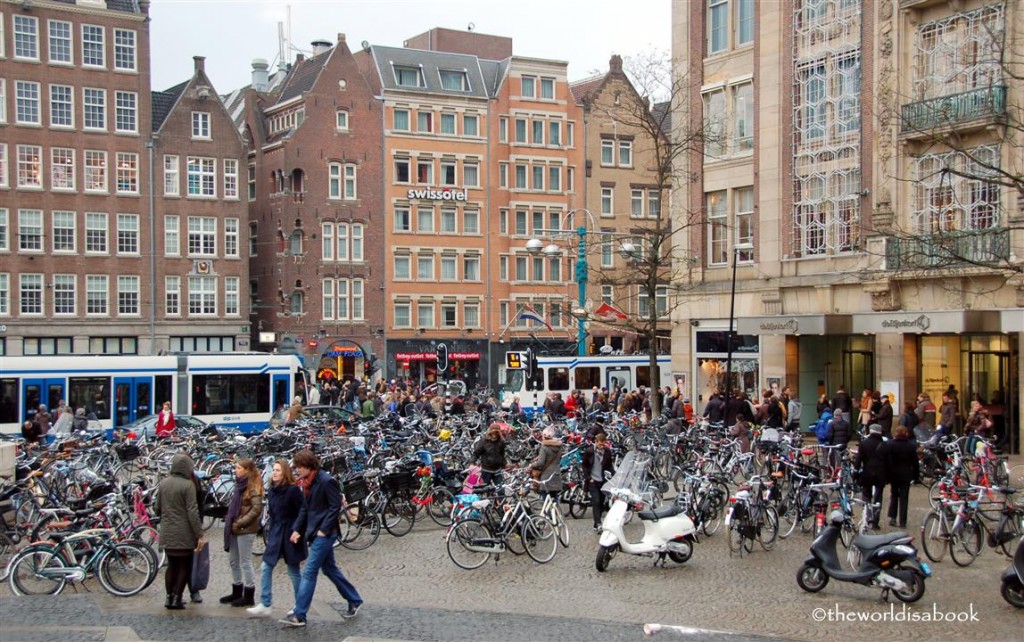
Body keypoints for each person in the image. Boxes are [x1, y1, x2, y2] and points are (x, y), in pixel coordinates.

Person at [281, 450, 363, 627]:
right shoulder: (307, 482)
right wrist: (297, 529)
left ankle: (300, 614)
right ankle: (354, 599)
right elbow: (305, 508)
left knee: (310, 571)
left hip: (326, 533)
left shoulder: (326, 481)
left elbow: (334, 508)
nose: (297, 470)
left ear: (308, 466)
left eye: (299, 467)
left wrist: (324, 530)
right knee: (329, 569)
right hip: (316, 531)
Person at [247, 459, 306, 618]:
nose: (274, 472)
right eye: (274, 470)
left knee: (293, 571)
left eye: (278, 470)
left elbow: (303, 511)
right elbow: (272, 513)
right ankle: (265, 603)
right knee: (266, 567)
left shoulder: (293, 491)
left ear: (285, 472)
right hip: (276, 532)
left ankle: (300, 605)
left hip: (290, 533)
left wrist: (298, 530)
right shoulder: (272, 490)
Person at [154, 454, 204, 610]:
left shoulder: (164, 483)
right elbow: (192, 512)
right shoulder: (188, 485)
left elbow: (157, 508)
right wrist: (199, 533)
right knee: (183, 566)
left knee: (171, 566)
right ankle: (177, 598)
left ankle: (168, 597)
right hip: (184, 533)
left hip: (168, 531)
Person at [220, 459, 264, 608]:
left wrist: (240, 522)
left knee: (245, 562)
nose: (235, 470)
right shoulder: (239, 485)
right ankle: (237, 590)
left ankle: (249, 593)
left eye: (238, 468)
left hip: (245, 529)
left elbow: (256, 509)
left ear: (247, 470)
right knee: (233, 560)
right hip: (234, 527)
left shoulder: (253, 486)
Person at [884, 425, 919, 529]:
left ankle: (893, 518)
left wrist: (887, 474)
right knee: (904, 498)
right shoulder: (911, 446)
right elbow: (915, 463)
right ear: (906, 433)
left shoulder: (890, 444)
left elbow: (887, 461)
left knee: (894, 495)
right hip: (906, 475)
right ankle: (903, 522)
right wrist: (916, 476)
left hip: (894, 474)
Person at [854, 424, 887, 530]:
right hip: (880, 474)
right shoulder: (884, 445)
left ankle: (866, 517)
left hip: (867, 473)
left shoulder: (864, 444)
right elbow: (889, 462)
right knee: (878, 498)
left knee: (866, 496)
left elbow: (858, 460)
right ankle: (875, 522)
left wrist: (855, 471)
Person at [582, 432, 615, 531]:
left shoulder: (607, 452)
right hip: (593, 480)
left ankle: (597, 521)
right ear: (595, 442)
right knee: (595, 501)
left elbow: (609, 466)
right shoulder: (589, 451)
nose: (601, 446)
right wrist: (588, 478)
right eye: (599, 444)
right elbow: (584, 465)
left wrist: (614, 476)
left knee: (601, 502)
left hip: (603, 480)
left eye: (603, 444)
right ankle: (598, 523)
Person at [530, 427, 563, 503]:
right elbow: (559, 459)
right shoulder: (559, 446)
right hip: (556, 474)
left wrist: (531, 465)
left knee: (545, 500)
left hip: (546, 476)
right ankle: (556, 513)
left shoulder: (544, 447)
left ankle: (548, 514)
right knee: (555, 497)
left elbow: (540, 463)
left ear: (544, 436)